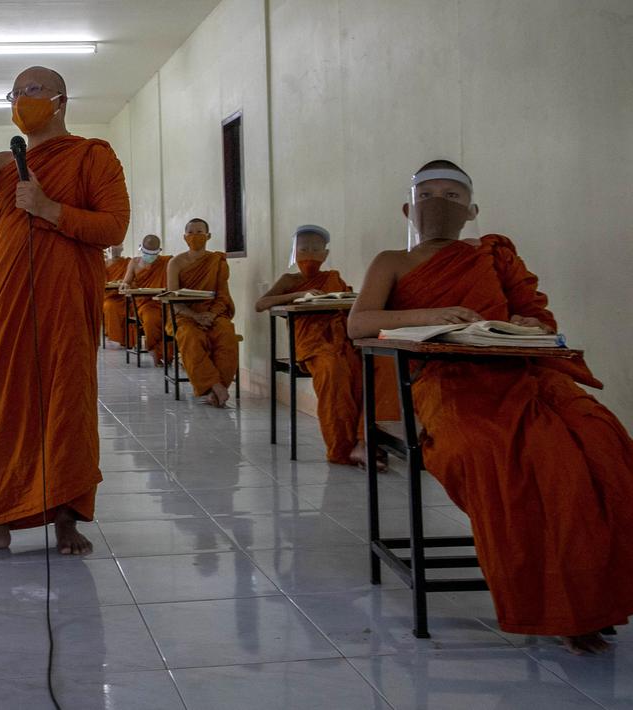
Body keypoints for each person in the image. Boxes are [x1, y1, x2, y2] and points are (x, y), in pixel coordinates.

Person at [348, 160, 633, 655]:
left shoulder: (493, 255)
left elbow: (540, 317)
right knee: (495, 452)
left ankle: (591, 596)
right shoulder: (391, 260)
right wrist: (430, 315)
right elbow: (359, 324)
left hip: (521, 374)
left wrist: (528, 323)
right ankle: (559, 602)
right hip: (448, 385)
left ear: (472, 210)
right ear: (407, 208)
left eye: (454, 196)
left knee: (598, 438)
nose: (440, 202)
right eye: (429, 193)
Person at [0, 65, 130, 556]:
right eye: (14, 93)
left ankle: (66, 515)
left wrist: (50, 209)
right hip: (8, 296)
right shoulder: (3, 161)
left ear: (59, 100)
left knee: (64, 398)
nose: (20, 99)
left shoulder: (92, 156)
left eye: (31, 90)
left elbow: (114, 228)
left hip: (64, 298)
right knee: (0, 398)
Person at [255, 226, 368, 465]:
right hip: (311, 346)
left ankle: (364, 441)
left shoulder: (332, 278)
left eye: (316, 250)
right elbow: (261, 304)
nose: (310, 255)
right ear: (294, 253)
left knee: (369, 368)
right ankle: (340, 447)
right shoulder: (289, 280)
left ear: (325, 255)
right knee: (332, 371)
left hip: (342, 338)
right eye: (303, 249)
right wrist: (298, 295)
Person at [166, 218, 238, 407]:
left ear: (208, 236)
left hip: (214, 313)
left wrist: (212, 315)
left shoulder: (217, 261)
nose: (195, 236)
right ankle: (215, 386)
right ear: (184, 237)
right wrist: (195, 316)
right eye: (191, 233)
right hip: (185, 315)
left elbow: (222, 296)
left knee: (227, 335)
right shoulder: (176, 263)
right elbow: (172, 299)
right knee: (190, 337)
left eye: (200, 232)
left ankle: (216, 390)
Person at [120, 234, 171, 365]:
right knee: (151, 319)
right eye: (147, 252)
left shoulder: (166, 262)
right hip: (145, 303)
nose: (150, 256)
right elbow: (126, 282)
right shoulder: (134, 262)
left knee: (174, 319)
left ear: (159, 250)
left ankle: (169, 353)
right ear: (141, 248)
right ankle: (155, 352)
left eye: (153, 253)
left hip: (164, 301)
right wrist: (125, 285)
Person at [101, 244, 130, 346]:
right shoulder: (104, 264)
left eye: (118, 247)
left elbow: (131, 279)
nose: (115, 250)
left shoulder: (127, 262)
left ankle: (129, 340)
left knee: (133, 307)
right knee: (109, 306)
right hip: (110, 296)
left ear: (122, 248)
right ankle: (116, 336)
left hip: (125, 296)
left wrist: (124, 282)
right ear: (108, 249)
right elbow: (102, 282)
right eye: (112, 248)